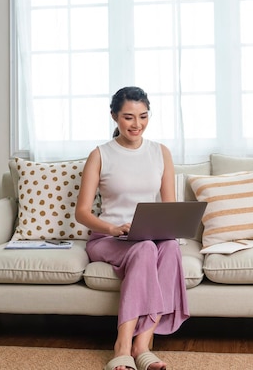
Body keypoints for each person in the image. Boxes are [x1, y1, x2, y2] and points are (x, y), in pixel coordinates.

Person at [76, 87, 189, 370]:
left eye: (143, 116)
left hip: (148, 234)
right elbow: (82, 213)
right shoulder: (100, 154)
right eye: (128, 117)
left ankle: (143, 344)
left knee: (170, 247)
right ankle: (122, 346)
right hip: (108, 237)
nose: (136, 124)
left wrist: (169, 228)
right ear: (114, 116)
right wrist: (114, 229)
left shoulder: (160, 152)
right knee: (144, 249)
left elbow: (169, 206)